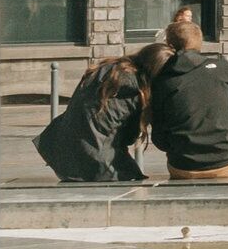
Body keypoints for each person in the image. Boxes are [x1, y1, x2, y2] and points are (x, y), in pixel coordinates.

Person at [33, 40, 163, 183]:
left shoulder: (105, 68)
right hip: (98, 164)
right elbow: (129, 137)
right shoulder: (135, 89)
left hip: (60, 154)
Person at [145, 9, 228, 181]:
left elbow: (158, 132)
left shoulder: (162, 78)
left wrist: (175, 149)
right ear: (199, 43)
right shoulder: (223, 69)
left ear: (169, 46)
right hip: (224, 161)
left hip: (183, 164)